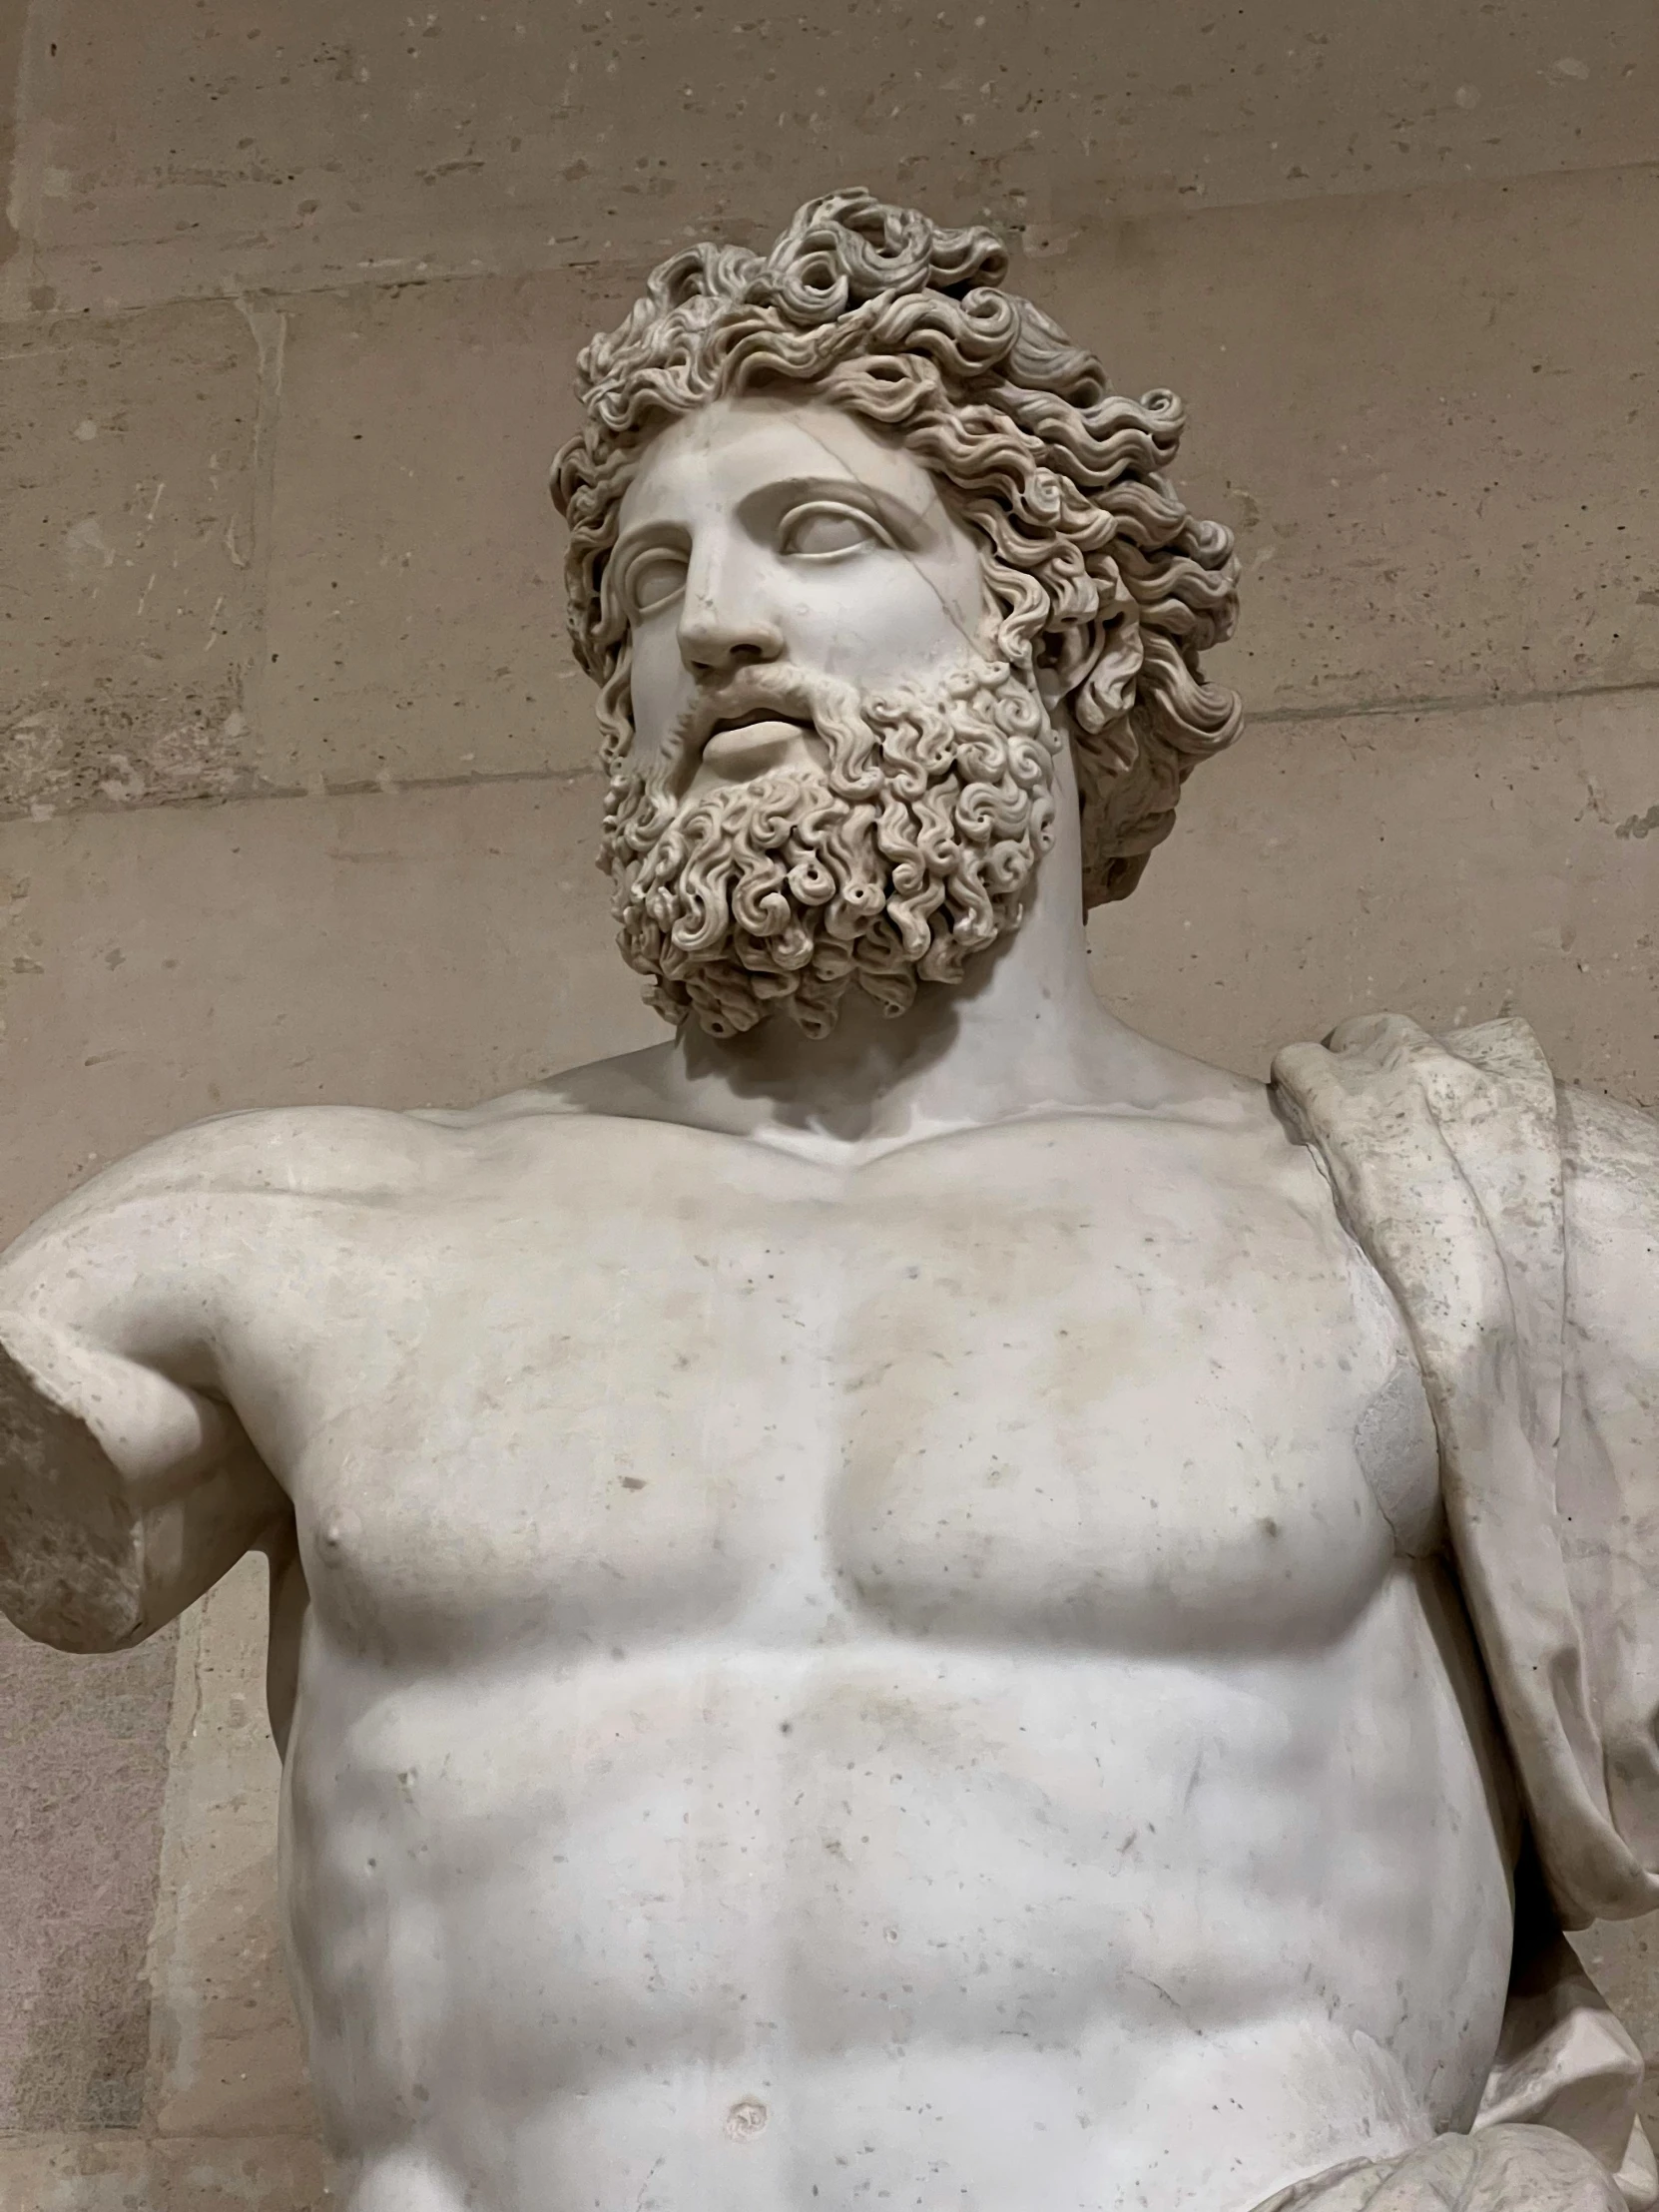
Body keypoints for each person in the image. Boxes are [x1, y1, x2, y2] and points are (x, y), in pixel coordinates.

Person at [2, 191, 1655, 2212]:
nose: (704, 626)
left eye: (824, 536)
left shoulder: (1457, 1234)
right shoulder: (292, 1241)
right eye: (646, 581)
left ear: (1056, 628)